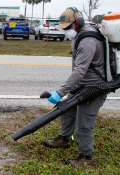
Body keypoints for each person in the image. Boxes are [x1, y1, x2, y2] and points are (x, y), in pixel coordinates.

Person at [43, 7, 107, 167]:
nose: (66, 31)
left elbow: (79, 71)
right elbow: (77, 70)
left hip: (94, 88)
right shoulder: (78, 36)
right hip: (81, 85)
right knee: (66, 109)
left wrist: (60, 92)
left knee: (84, 123)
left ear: (78, 22)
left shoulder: (87, 41)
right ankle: (64, 140)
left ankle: (86, 157)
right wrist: (70, 89)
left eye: (67, 28)